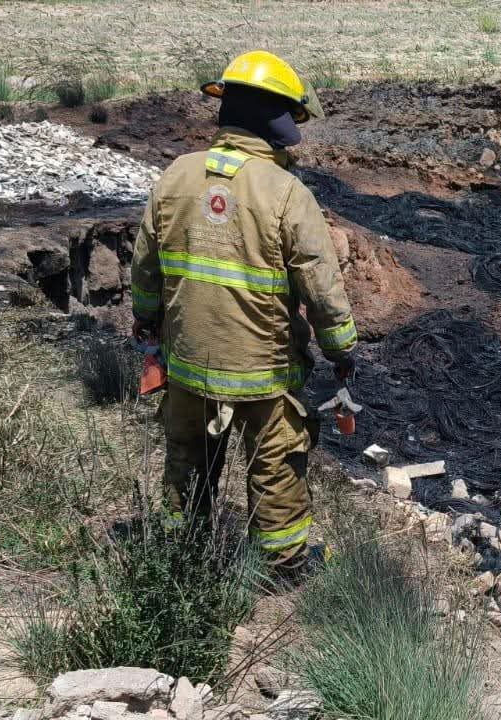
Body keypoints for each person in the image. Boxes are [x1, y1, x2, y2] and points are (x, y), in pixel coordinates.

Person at [129, 50, 357, 575]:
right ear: (278, 120)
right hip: (264, 375)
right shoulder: (286, 193)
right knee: (275, 469)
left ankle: (180, 556)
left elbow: (145, 271)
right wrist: (341, 350)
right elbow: (322, 289)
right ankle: (281, 567)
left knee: (186, 464)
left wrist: (148, 323)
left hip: (187, 366)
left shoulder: (176, 177)